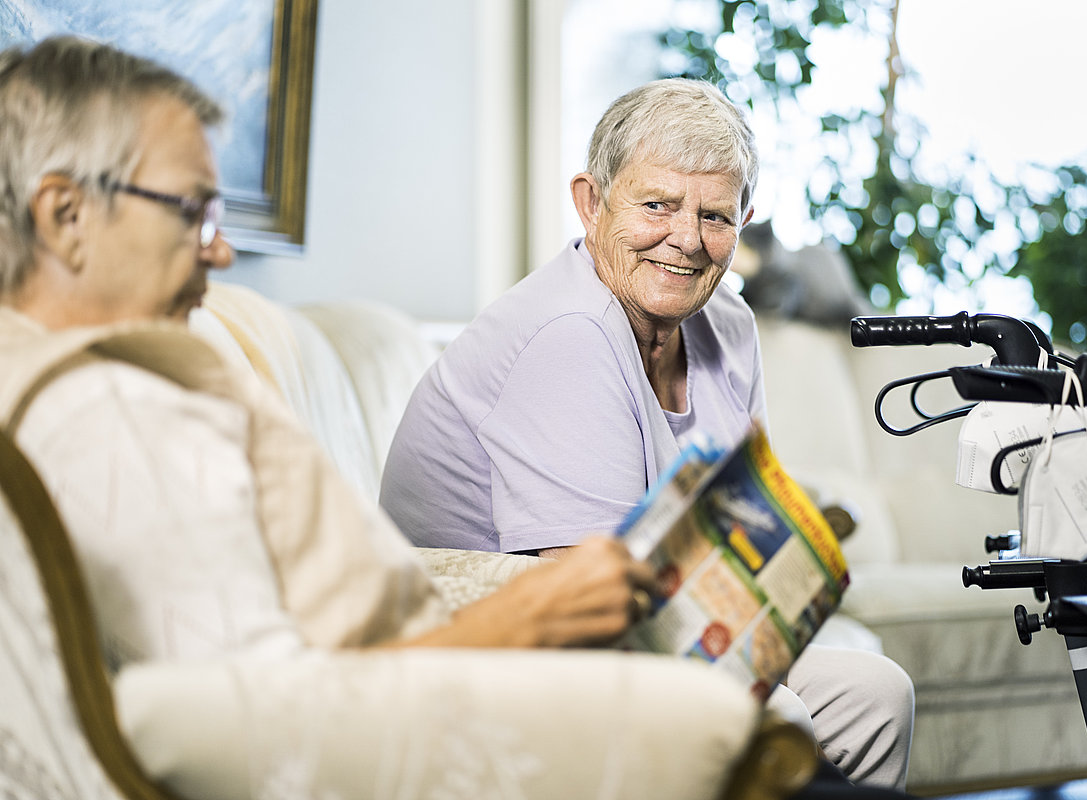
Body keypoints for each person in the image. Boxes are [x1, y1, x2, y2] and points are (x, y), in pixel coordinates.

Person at [0, 36, 916, 800]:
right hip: (454, 696)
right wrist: (528, 611)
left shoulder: (157, 366)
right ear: (65, 215)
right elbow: (248, 715)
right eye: (192, 211)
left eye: (717, 214)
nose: (223, 245)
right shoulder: (102, 416)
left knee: (862, 699)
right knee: (775, 738)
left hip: (441, 659)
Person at [381, 78, 915, 789]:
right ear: (592, 203)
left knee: (878, 697)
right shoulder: (568, 333)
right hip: (505, 649)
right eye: (657, 205)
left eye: (716, 215)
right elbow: (594, 609)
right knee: (776, 715)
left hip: (661, 620)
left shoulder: (729, 325)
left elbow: (728, 529)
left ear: (745, 219)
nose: (687, 241)